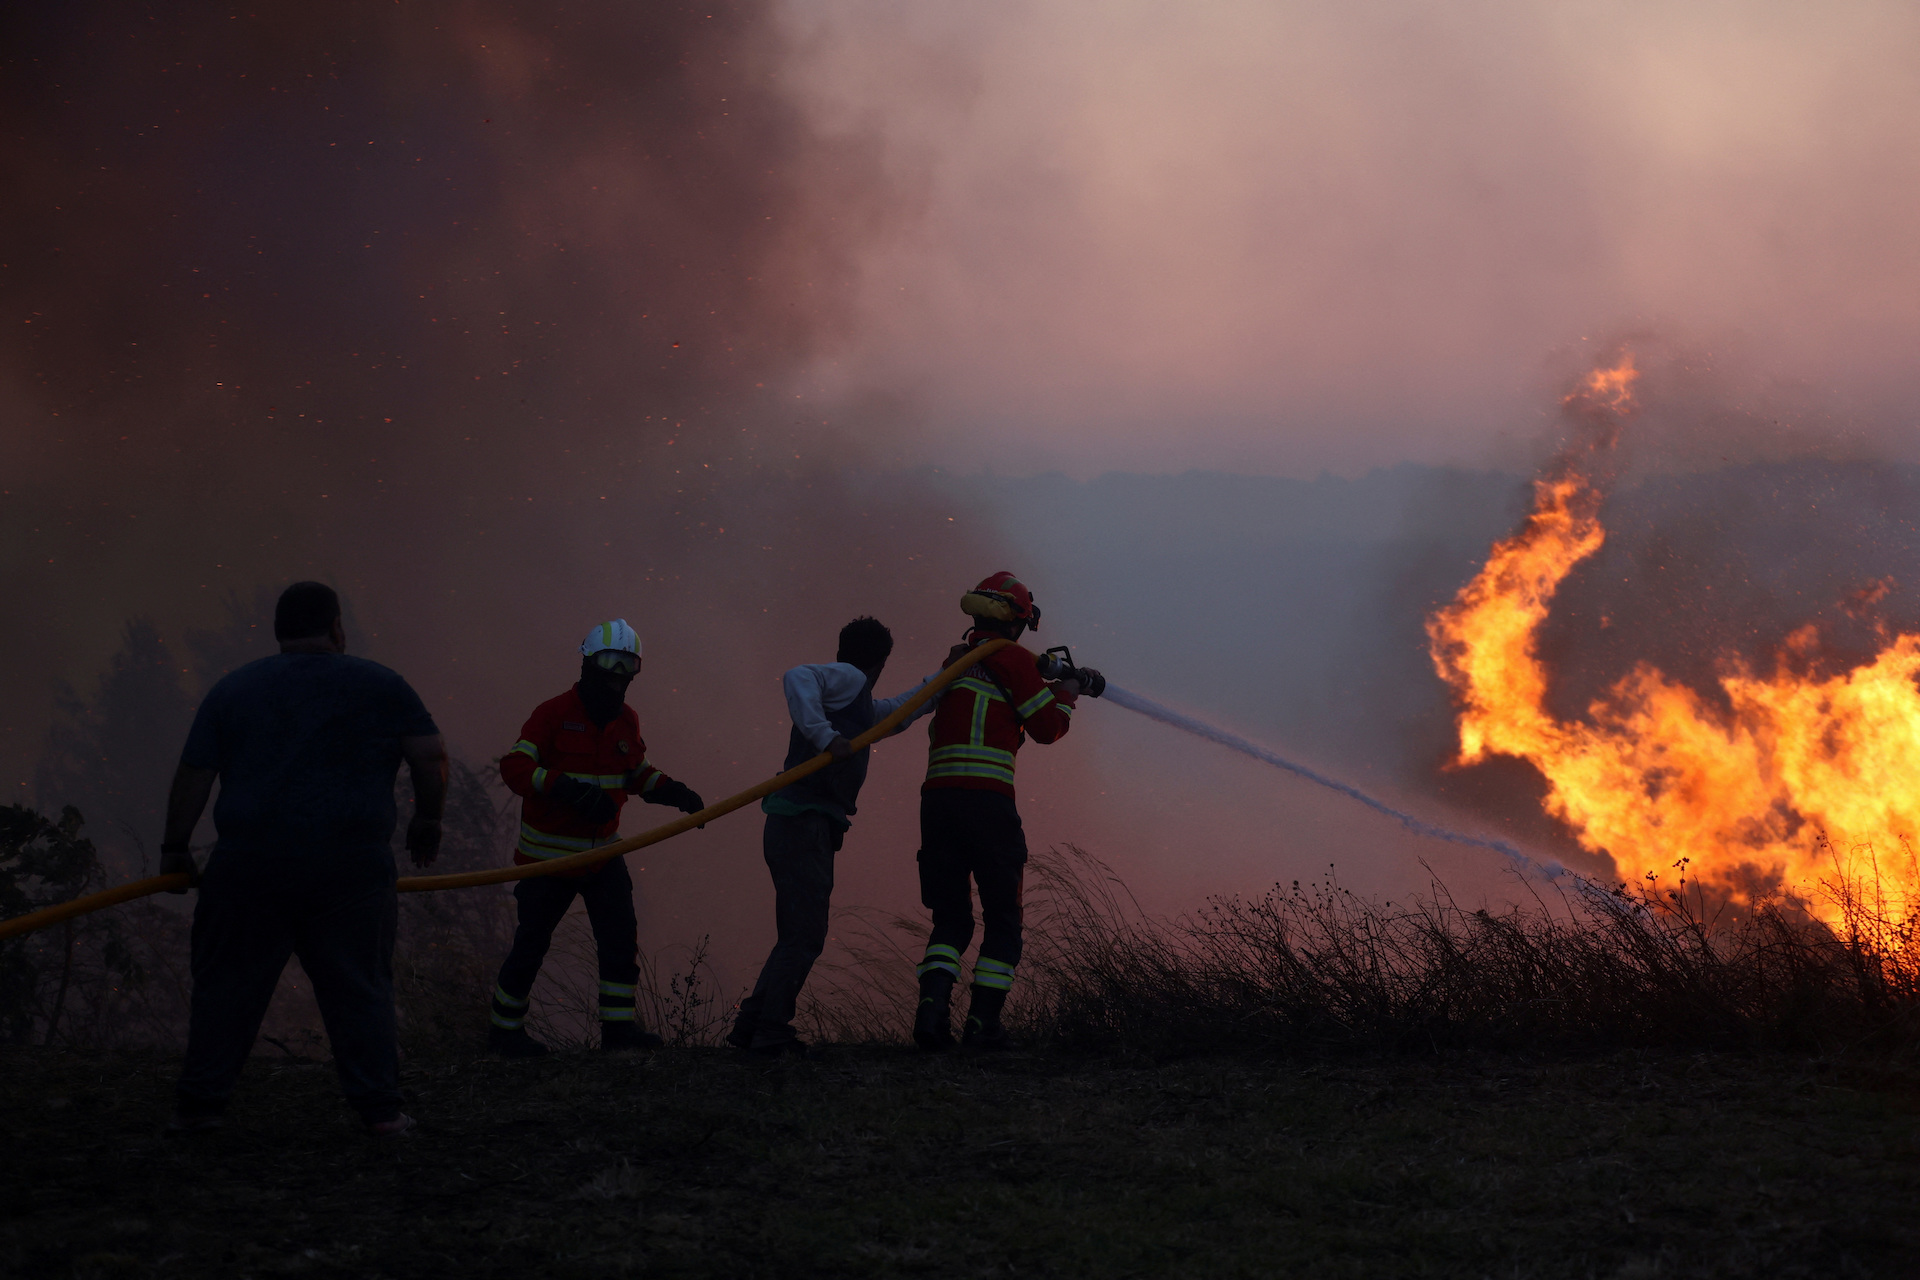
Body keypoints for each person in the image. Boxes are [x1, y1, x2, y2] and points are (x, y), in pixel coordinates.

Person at [160, 581, 447, 1137]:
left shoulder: (233, 690)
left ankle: (199, 1110)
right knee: (360, 988)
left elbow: (195, 775)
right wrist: (427, 820)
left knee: (226, 989)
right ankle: (382, 1114)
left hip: (248, 866)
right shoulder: (382, 685)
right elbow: (429, 754)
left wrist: (174, 849)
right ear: (337, 628)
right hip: (350, 869)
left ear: (278, 633)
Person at [487, 620, 706, 1057]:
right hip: (547, 861)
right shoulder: (551, 714)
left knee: (620, 942)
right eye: (610, 661)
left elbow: (636, 772)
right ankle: (504, 1034)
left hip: (604, 855)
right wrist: (565, 788)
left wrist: (674, 792)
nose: (618, 674)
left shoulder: (626, 719)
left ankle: (618, 1034)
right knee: (531, 945)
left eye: (628, 665)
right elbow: (513, 768)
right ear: (588, 662)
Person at [727, 617, 935, 1056]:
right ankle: (771, 1031)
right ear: (879, 661)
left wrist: (944, 679)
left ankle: (752, 1026)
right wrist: (825, 738)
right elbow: (798, 676)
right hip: (802, 822)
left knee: (796, 934)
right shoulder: (850, 679)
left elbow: (899, 713)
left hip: (798, 822)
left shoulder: (856, 701)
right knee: (806, 935)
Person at [912, 571, 1093, 1051]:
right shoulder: (1013, 659)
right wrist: (1070, 693)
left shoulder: (955, 661)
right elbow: (1047, 729)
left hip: (937, 804)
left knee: (950, 919)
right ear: (1016, 621)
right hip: (988, 805)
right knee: (1002, 918)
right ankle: (982, 1026)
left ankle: (930, 1019)